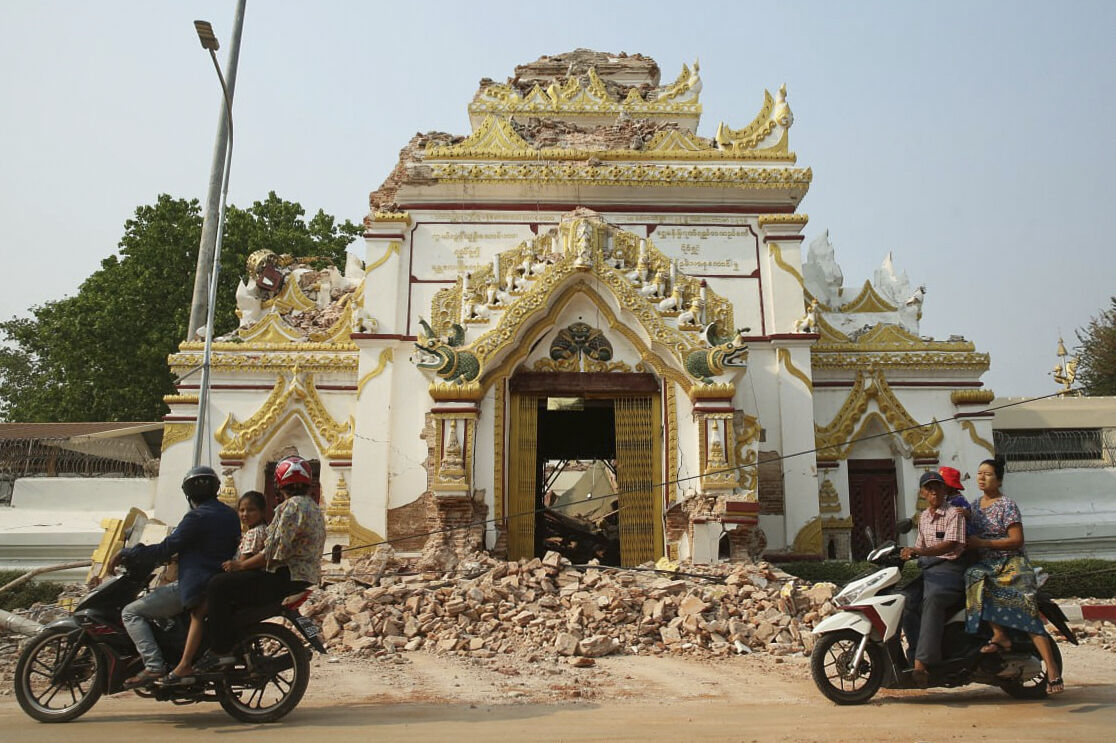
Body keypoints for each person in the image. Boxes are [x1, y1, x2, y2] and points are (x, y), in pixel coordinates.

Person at [110, 466, 241, 687]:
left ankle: (153, 666)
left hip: (195, 584)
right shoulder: (230, 515)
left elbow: (165, 548)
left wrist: (128, 553)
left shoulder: (196, 517)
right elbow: (209, 547)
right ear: (217, 488)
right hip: (216, 582)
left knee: (131, 612)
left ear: (188, 494)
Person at [201, 456, 326, 666]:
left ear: (278, 483)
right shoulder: (313, 507)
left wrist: (240, 565)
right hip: (301, 578)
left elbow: (272, 552)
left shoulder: (291, 507)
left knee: (217, 585)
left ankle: (220, 649)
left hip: (284, 577)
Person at [964, 458, 1063, 694]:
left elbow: (1017, 539)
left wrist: (984, 542)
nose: (981, 478)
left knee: (1027, 611)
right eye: (979, 474)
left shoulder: (1007, 504)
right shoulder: (974, 506)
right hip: (987, 565)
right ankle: (999, 635)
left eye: (987, 474)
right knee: (972, 576)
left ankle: (1052, 671)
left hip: (1012, 562)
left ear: (998, 479)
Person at [159, 490, 268, 686]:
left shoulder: (254, 533)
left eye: (251, 510)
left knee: (198, 613)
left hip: (235, 583)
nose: (245, 514)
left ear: (262, 512)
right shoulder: (256, 531)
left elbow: (241, 562)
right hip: (246, 582)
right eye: (241, 510)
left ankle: (184, 664)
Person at [899, 470, 967, 687]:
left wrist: (921, 553)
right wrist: (904, 552)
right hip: (930, 570)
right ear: (922, 493)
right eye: (929, 488)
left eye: (937, 487)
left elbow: (950, 544)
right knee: (906, 600)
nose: (934, 492)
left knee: (933, 599)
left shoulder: (954, 513)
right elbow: (920, 546)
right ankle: (914, 652)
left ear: (945, 489)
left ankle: (923, 663)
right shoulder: (924, 518)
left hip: (950, 569)